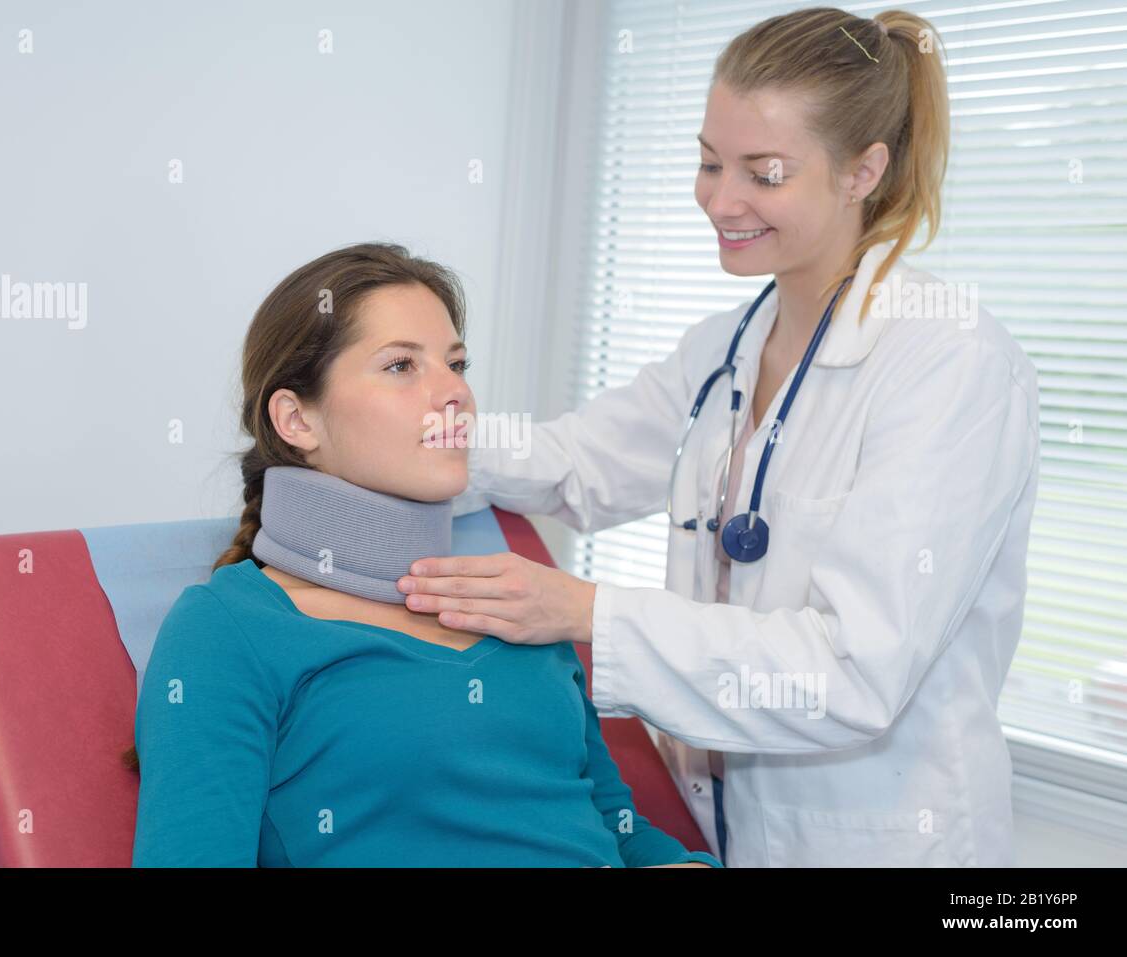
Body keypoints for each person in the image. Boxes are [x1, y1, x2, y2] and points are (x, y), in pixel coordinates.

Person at [399, 8, 1041, 866]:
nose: (719, 199)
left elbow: (853, 670)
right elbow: (577, 465)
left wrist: (585, 612)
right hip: (725, 831)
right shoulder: (726, 348)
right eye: (708, 161)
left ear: (864, 171)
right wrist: (407, 439)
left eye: (762, 173)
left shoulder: (950, 361)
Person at [128, 242, 721, 868]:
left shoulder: (520, 604)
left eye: (457, 363)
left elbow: (616, 828)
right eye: (400, 366)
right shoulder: (230, 629)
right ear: (297, 420)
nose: (455, 394)